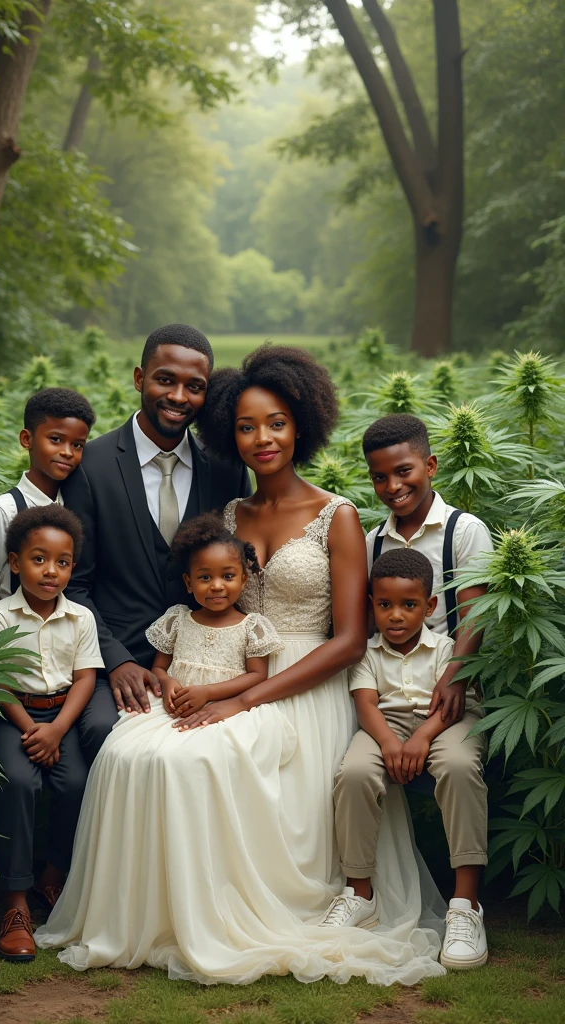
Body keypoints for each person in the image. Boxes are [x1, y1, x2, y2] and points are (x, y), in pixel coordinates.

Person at [36, 346, 446, 986]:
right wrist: (190, 682)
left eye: (277, 422)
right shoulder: (230, 514)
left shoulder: (335, 515)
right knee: (130, 750)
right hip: (226, 668)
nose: (263, 438)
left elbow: (348, 639)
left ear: (301, 424)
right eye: (247, 425)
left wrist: (245, 701)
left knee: (196, 758)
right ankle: (154, 914)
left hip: (306, 682)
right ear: (231, 431)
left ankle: (232, 911)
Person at [60, 324, 250, 750]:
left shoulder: (227, 468)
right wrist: (117, 661)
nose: (179, 397)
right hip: (119, 660)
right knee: (100, 733)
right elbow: (75, 583)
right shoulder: (90, 466)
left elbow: (244, 568)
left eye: (194, 386)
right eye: (166, 379)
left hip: (211, 667)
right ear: (139, 378)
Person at [329, 549, 488, 970]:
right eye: (384, 605)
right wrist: (389, 743)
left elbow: (453, 706)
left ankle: (465, 904)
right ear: (371, 606)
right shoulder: (365, 653)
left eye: (408, 605)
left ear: (430, 606)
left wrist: (420, 737)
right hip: (386, 724)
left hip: (445, 722)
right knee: (355, 772)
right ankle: (360, 892)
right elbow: (366, 707)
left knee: (458, 767)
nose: (395, 615)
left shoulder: (446, 648)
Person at [0, 505, 104, 964]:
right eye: (38, 559)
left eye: (62, 562)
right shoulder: (0, 615)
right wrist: (31, 729)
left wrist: (56, 730)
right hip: (14, 717)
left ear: (72, 566)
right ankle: (15, 905)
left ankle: (52, 876)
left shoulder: (81, 619)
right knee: (18, 783)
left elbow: (86, 678)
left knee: (76, 783)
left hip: (60, 719)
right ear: (15, 562)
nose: (50, 571)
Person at [362, 414, 493, 727]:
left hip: (448, 683)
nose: (393, 486)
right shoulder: (375, 541)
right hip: (387, 692)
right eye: (379, 477)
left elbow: (473, 618)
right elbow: (368, 622)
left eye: (404, 471)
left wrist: (454, 678)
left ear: (430, 466)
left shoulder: (463, 531)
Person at [0, 387, 95, 639]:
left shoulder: (77, 506)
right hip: (14, 651)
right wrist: (8, 658)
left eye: (77, 444)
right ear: (27, 439)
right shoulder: (3, 509)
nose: (67, 451)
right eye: (56, 439)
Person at [148, 513, 284, 717]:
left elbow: (257, 675)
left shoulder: (251, 627)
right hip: (172, 711)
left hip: (227, 713)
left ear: (243, 580)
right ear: (188, 582)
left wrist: (208, 692)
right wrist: (167, 682)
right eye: (205, 577)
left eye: (228, 576)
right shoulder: (177, 620)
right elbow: (159, 666)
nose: (217, 586)